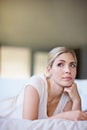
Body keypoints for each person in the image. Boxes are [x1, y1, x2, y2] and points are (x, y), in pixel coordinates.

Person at [23, 46, 87, 121]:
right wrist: (64, 116)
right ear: (49, 70)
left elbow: (74, 124)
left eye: (72, 65)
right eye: (60, 64)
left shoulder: (69, 94)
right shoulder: (35, 84)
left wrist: (77, 100)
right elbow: (28, 125)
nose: (68, 70)